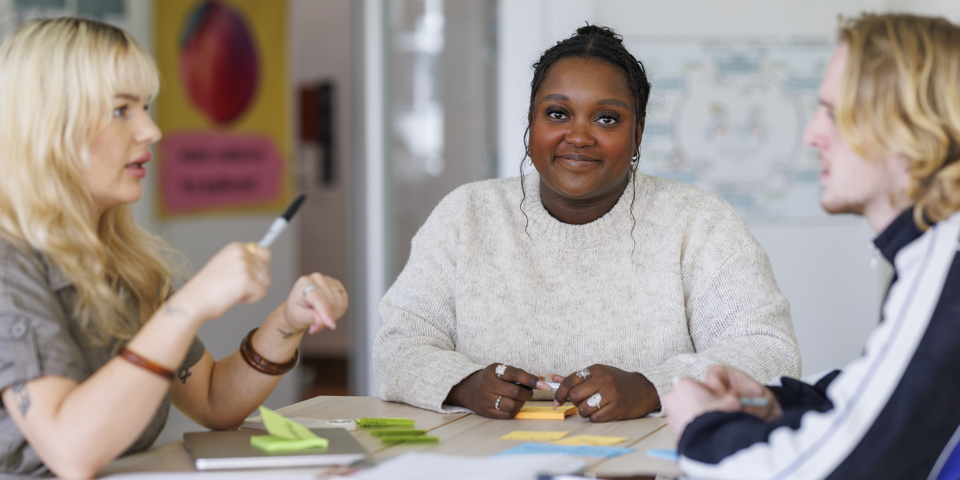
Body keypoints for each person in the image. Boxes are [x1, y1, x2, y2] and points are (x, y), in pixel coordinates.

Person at [373, 25, 800, 423]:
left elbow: (770, 352)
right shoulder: (466, 215)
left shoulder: (700, 223)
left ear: (639, 133)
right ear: (531, 122)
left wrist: (653, 388)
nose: (578, 136)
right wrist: (464, 385)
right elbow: (397, 347)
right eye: (557, 113)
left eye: (607, 118)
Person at [0, 18, 348, 479]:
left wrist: (286, 323)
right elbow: (71, 452)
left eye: (145, 106)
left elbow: (213, 401)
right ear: (46, 126)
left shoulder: (125, 263)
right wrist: (190, 304)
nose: (151, 130)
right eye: (122, 110)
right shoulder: (10, 265)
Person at [662, 13, 960, 480]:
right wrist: (778, 402)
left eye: (834, 113)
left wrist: (704, 429)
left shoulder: (948, 260)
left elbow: (835, 469)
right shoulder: (934, 249)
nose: (811, 136)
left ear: (905, 124)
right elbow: (893, 396)